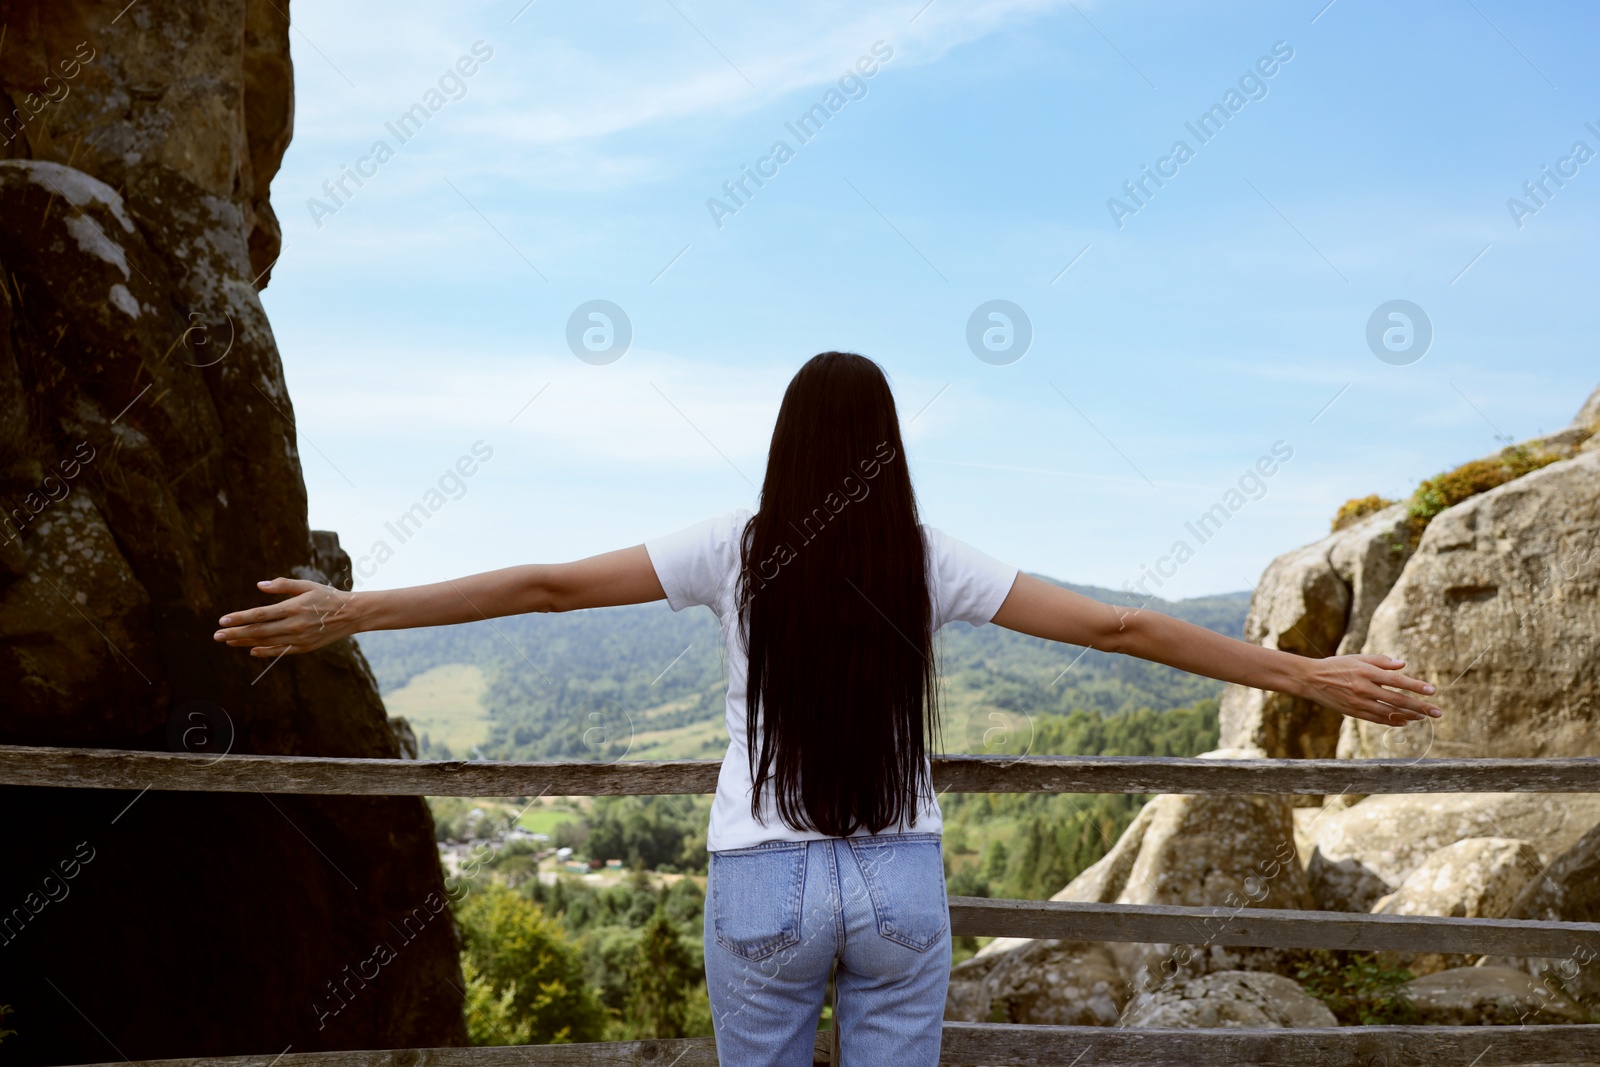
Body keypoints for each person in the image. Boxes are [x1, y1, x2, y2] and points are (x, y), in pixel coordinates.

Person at [214, 351, 1442, 1064]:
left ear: (785, 446)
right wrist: (1310, 674)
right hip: (899, 884)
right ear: (888, 448)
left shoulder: (730, 548)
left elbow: (544, 587)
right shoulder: (923, 553)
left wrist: (353, 609)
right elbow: (1123, 627)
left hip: (760, 880)